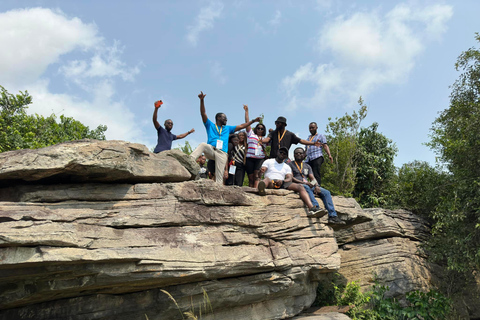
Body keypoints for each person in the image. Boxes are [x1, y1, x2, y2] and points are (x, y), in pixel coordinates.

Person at [190, 92, 261, 184]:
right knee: (203, 145)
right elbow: (203, 113)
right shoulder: (210, 125)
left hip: (222, 153)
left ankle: (218, 194)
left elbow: (241, 126)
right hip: (211, 150)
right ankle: (190, 160)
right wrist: (202, 100)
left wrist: (253, 121)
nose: (226, 120)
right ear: (218, 118)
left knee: (219, 179)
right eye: (224, 118)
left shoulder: (227, 128)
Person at [257, 147, 323, 217]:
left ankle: (312, 208)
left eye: (284, 153)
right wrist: (260, 172)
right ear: (277, 152)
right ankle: (261, 189)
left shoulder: (287, 166)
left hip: (282, 182)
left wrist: (317, 185)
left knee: (301, 187)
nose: (282, 154)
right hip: (271, 181)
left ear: (286, 156)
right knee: (267, 179)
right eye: (281, 152)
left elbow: (289, 178)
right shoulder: (268, 161)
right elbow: (260, 174)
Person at [288, 147, 344, 224]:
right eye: (296, 153)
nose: (298, 154)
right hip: (299, 185)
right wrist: (304, 183)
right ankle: (315, 208)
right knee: (307, 187)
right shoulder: (290, 164)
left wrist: (317, 186)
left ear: (304, 155)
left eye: (300, 153)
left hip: (308, 184)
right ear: (294, 155)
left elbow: (312, 178)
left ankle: (333, 216)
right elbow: (291, 177)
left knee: (326, 192)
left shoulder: (307, 166)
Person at [243, 105, 267, 188]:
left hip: (260, 158)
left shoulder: (265, 139)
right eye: (258, 128)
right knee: (251, 178)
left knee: (257, 176)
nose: (260, 130)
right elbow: (247, 123)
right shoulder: (251, 134)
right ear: (255, 129)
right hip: (250, 158)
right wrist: (246, 111)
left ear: (264, 131)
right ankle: (250, 194)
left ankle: (256, 192)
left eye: (262, 129)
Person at [305, 122, 333, 186]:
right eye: (310, 128)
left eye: (312, 128)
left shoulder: (320, 136)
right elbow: (306, 149)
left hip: (317, 156)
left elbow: (325, 146)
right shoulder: (308, 138)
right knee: (305, 171)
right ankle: (308, 185)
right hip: (309, 158)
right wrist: (302, 156)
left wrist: (329, 155)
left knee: (315, 172)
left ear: (316, 128)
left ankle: (317, 187)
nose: (311, 129)